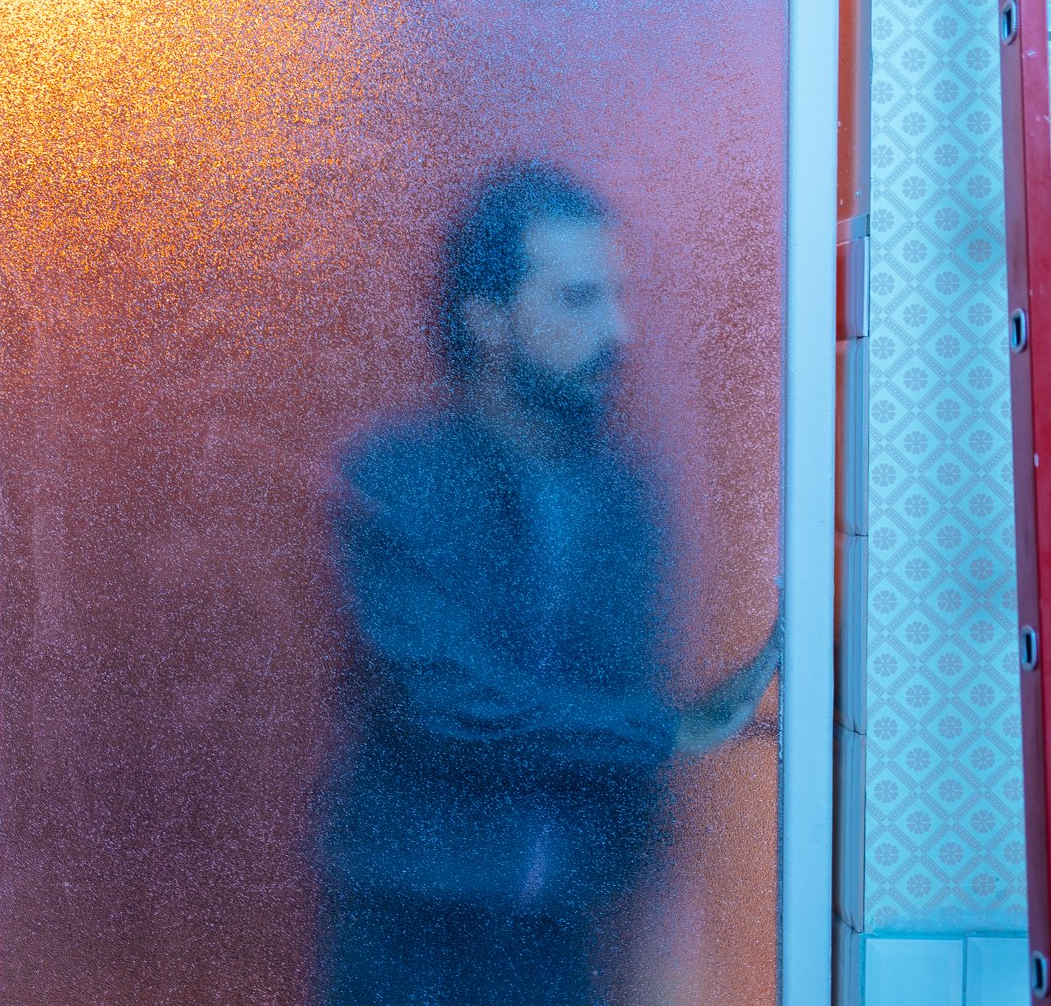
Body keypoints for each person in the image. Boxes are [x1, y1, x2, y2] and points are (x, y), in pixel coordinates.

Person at [318, 161, 781, 1006]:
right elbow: (449, 702)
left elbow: (632, 747)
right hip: (412, 935)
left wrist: (669, 939)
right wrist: (672, 729)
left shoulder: (621, 500)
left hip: (564, 944)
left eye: (617, 297)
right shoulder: (394, 480)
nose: (619, 331)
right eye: (578, 299)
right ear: (487, 318)